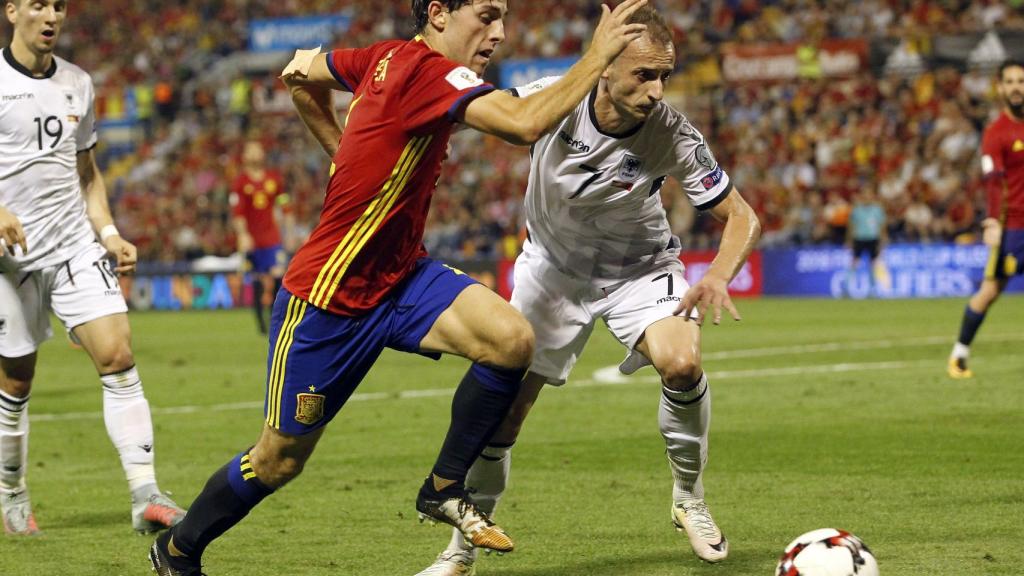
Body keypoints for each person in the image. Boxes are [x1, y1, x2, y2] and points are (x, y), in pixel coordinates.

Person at [149, 1, 651, 574]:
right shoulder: (428, 71)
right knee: (278, 461)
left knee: (511, 339)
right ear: (438, 13)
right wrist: (599, 54)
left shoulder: (382, 56)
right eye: (486, 16)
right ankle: (177, 548)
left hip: (401, 278)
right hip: (327, 299)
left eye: (503, 18)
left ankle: (442, 486)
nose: (500, 34)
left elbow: (300, 72)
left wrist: (344, 151)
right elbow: (525, 124)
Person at [415, 7, 760, 575]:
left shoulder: (672, 133)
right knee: (504, 417)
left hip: (639, 269)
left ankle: (689, 498)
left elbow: (741, 216)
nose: (657, 91)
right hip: (551, 270)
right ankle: (461, 551)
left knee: (681, 362)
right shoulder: (552, 99)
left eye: (663, 76)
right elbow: (467, 114)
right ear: (604, 68)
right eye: (644, 75)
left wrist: (719, 273)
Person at [0, 0, 185, 535]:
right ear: (13, 11)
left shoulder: (78, 83)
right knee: (15, 380)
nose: (51, 14)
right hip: (10, 260)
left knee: (118, 354)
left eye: (58, 5)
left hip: (73, 247)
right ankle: (12, 491)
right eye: (38, 4)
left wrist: (108, 232)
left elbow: (87, 175)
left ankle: (145, 493)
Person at [948, 60, 1024, 378]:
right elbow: (993, 181)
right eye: (1010, 82)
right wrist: (993, 222)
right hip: (1014, 227)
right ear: (1000, 88)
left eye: (1021, 80)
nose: (1017, 87)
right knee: (990, 291)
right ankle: (959, 355)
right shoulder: (996, 133)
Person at [230, 139, 294, 334]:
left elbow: (286, 207)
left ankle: (275, 317)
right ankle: (261, 324)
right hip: (252, 239)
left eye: (258, 149)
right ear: (245, 156)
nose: (256, 153)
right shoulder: (241, 182)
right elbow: (238, 213)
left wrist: (290, 232)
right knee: (257, 277)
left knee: (277, 275)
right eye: (252, 150)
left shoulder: (274, 179)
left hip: (272, 237)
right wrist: (242, 235)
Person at [844, 186, 889, 297]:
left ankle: (872, 290)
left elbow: (882, 226)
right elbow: (851, 226)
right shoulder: (857, 210)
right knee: (854, 263)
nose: (867, 197)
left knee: (873, 264)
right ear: (862, 197)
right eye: (865, 195)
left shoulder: (877, 210)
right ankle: (846, 288)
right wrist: (849, 240)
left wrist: (883, 239)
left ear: (872, 197)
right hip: (859, 238)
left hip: (873, 239)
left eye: (869, 195)